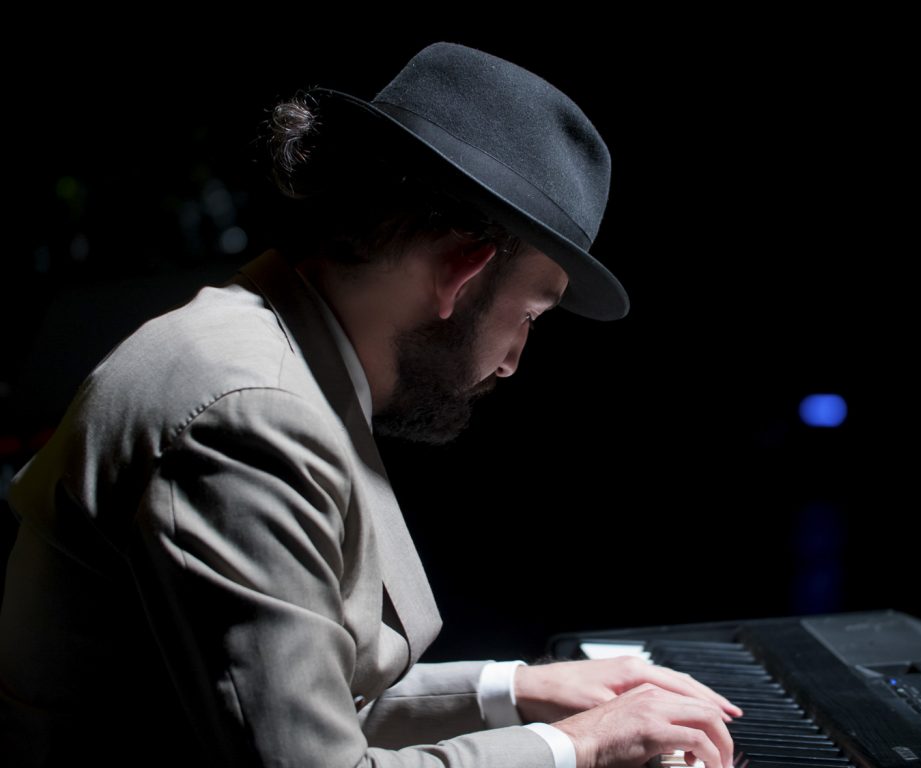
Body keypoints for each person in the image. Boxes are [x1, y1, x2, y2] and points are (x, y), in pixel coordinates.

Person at [0, 42, 742, 767]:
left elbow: (288, 693)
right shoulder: (249, 414)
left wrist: (515, 688)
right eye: (529, 316)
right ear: (461, 272)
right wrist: (580, 744)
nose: (513, 361)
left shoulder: (265, 351)